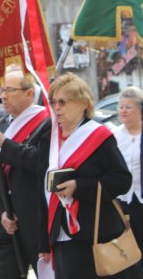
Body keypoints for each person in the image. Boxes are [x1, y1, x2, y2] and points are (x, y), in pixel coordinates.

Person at [39, 73, 136, 279]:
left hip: (96, 235)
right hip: (62, 236)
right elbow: (44, 193)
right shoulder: (50, 139)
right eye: (54, 102)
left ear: (83, 103)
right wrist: (43, 241)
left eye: (63, 102)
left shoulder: (98, 136)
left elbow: (122, 180)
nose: (57, 108)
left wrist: (79, 186)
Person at [0, 66, 50, 278]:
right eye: (1, 90)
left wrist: (6, 144)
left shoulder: (46, 123)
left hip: (37, 223)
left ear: (29, 93)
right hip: (6, 225)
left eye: (9, 90)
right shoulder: (0, 125)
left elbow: (42, 163)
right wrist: (0, 212)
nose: (3, 96)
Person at [114, 86, 143, 261]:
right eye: (121, 106)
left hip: (141, 197)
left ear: (140, 109)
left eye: (128, 107)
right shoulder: (115, 136)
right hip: (122, 200)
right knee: (128, 247)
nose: (123, 111)